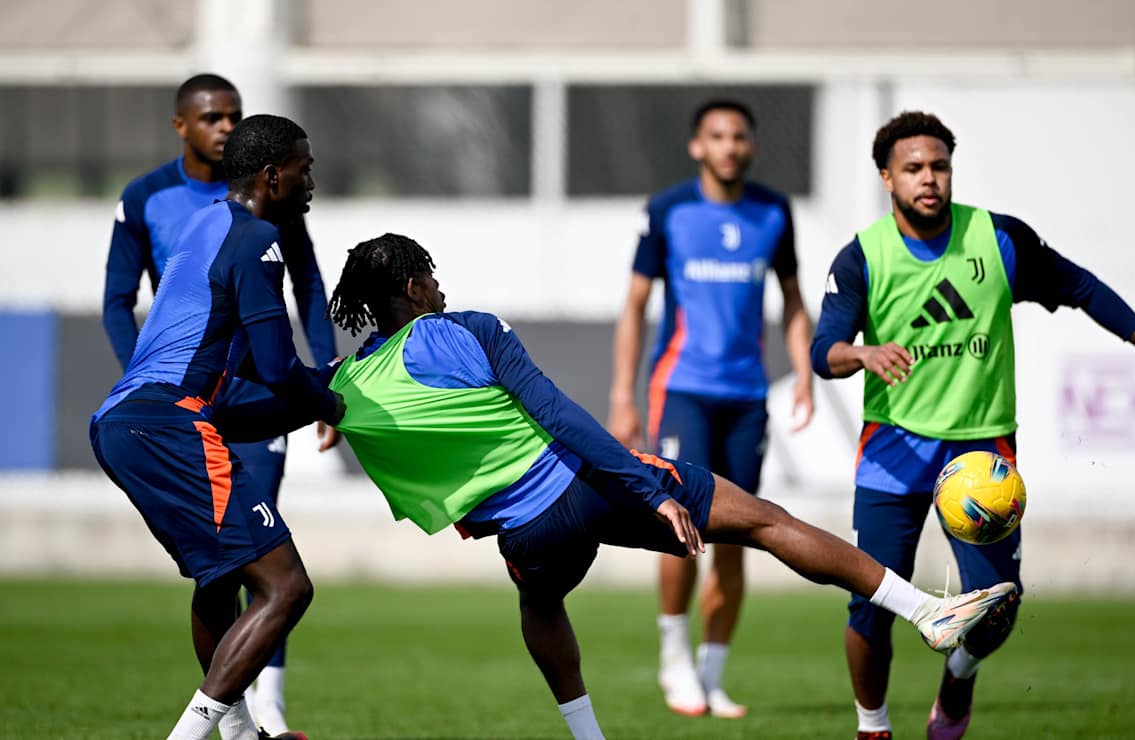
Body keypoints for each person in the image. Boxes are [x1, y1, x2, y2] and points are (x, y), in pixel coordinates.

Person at [307, 232, 1013, 740]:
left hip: (529, 533)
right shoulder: (467, 329)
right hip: (588, 484)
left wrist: (332, 413)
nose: (438, 286)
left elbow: (304, 398)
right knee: (765, 522)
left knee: (539, 602)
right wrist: (650, 489)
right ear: (411, 288)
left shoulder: (349, 385)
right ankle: (923, 610)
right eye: (429, 276)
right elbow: (559, 416)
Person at [810, 111, 1135, 740]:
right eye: (914, 168)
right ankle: (873, 726)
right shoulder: (863, 257)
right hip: (893, 449)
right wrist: (860, 354)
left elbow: (1080, 286)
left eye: (939, 166)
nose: (929, 179)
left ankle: (959, 675)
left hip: (980, 448)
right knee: (871, 604)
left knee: (1000, 605)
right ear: (887, 177)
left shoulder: (997, 240)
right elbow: (822, 351)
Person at [90, 114, 344, 740]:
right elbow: (282, 369)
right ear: (271, 174)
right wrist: (336, 390)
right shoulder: (258, 240)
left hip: (123, 423)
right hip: (169, 424)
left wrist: (315, 403)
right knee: (287, 588)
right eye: (303, 168)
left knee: (220, 577)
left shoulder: (208, 224)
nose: (310, 180)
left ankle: (239, 736)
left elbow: (245, 389)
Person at [606, 98, 815, 718]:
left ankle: (713, 673)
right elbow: (635, 306)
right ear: (698, 146)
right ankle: (674, 659)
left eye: (739, 137)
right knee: (679, 526)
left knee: (741, 533)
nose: (729, 146)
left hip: (747, 396)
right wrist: (623, 395)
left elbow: (795, 301)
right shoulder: (669, 210)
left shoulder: (774, 212)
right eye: (717, 136)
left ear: (751, 146)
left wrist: (803, 372)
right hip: (682, 392)